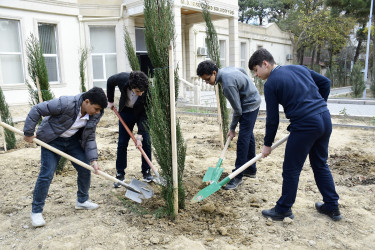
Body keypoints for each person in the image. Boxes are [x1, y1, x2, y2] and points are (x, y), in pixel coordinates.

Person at [248, 48, 341, 221]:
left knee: (291, 169)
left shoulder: (271, 84)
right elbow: (325, 83)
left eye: (256, 70)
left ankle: (283, 209)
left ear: (265, 64)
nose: (256, 75)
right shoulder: (299, 68)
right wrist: (318, 106)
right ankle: (332, 206)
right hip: (324, 119)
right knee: (320, 164)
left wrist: (267, 144)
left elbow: (273, 119)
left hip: (305, 125)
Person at [23, 87, 108, 227]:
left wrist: (93, 160)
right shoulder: (66, 103)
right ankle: (36, 212)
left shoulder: (96, 114)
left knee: (85, 168)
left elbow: (90, 136)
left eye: (99, 110)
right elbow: (37, 109)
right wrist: (28, 132)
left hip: (73, 141)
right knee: (47, 174)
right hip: (53, 140)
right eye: (96, 108)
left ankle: (82, 200)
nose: (98, 112)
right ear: (87, 101)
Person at [197, 60, 261, 190]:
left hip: (249, 106)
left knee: (243, 140)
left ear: (214, 72)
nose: (208, 83)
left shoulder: (227, 85)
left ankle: (238, 176)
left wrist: (232, 129)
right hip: (253, 99)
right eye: (205, 81)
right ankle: (251, 169)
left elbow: (238, 110)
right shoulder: (226, 70)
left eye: (208, 79)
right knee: (248, 134)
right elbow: (242, 71)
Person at [106, 71, 153, 187]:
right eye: (138, 91)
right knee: (122, 143)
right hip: (125, 112)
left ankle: (146, 172)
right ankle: (120, 174)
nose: (141, 94)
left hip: (141, 114)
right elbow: (110, 81)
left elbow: (146, 115)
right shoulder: (122, 78)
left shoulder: (148, 92)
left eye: (142, 91)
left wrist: (139, 135)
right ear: (132, 87)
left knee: (146, 141)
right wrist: (110, 100)